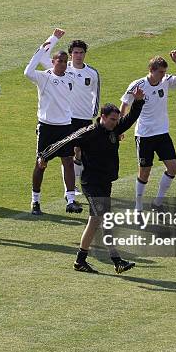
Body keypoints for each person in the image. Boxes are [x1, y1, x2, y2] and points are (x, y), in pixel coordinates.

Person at [37, 87, 146, 274]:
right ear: (102, 116)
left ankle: (114, 260)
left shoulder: (115, 128)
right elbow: (65, 141)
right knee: (97, 220)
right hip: (91, 182)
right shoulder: (88, 132)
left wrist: (137, 102)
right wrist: (44, 156)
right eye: (112, 119)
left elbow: (130, 119)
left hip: (105, 182)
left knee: (104, 220)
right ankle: (84, 260)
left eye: (116, 120)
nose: (115, 123)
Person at [120, 51, 176, 211]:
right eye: (160, 72)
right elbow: (125, 104)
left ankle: (158, 202)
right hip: (144, 135)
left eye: (164, 72)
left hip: (162, 133)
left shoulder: (165, 81)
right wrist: (120, 128)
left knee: (173, 168)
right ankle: (138, 206)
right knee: (144, 172)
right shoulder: (138, 85)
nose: (163, 75)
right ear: (151, 70)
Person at [25, 29, 82, 215]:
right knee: (41, 163)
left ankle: (71, 199)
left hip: (65, 126)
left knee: (68, 161)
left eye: (66, 61)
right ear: (53, 61)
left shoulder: (72, 76)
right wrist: (52, 39)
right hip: (47, 127)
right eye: (60, 61)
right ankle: (35, 201)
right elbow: (28, 71)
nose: (64, 64)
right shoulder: (44, 77)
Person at [40, 35, 100, 196]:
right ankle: (71, 188)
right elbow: (43, 56)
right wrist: (53, 38)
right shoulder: (63, 68)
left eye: (81, 52)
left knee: (81, 152)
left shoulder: (92, 72)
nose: (78, 55)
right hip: (67, 118)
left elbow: (96, 93)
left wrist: (93, 113)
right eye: (75, 52)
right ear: (70, 54)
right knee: (68, 153)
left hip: (86, 117)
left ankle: (79, 183)